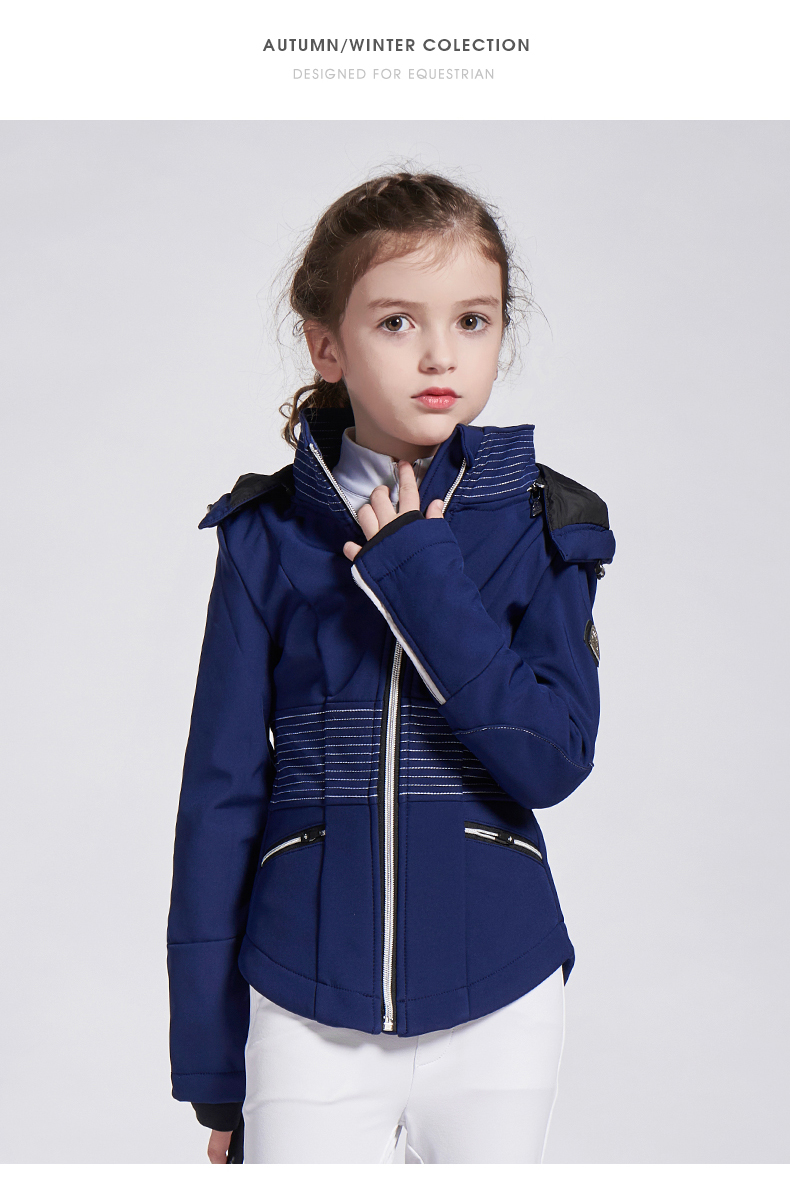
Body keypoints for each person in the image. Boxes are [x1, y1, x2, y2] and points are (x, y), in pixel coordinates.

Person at [166, 171, 616, 1164]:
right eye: (397, 322)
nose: (440, 354)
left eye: (472, 320)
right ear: (328, 346)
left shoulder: (549, 527)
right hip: (302, 996)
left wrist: (419, 573)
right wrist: (212, 1066)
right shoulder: (264, 538)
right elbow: (218, 801)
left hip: (501, 994)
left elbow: (550, 759)